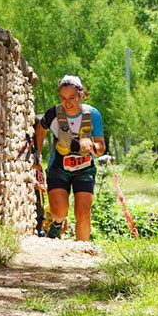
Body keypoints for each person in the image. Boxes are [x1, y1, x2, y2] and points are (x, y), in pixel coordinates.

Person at [35, 74, 106, 241]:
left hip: (85, 169)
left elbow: (101, 147)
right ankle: (57, 224)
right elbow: (40, 128)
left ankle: (82, 253)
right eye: (63, 98)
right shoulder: (54, 113)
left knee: (83, 213)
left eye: (72, 98)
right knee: (59, 212)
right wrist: (36, 155)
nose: (67, 103)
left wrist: (92, 147)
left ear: (81, 95)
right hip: (59, 168)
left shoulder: (92, 114)